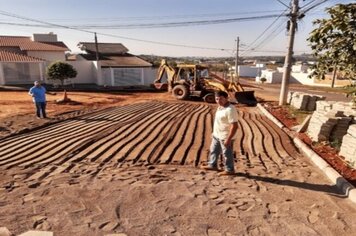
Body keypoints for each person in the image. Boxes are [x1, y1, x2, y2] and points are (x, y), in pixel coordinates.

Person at [202, 91, 238, 175]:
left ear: (226, 98)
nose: (218, 101)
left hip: (225, 136)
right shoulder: (220, 107)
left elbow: (235, 125)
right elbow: (219, 122)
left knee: (226, 154)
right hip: (217, 135)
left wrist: (228, 139)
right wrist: (214, 132)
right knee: (213, 151)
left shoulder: (230, 109)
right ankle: (212, 165)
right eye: (217, 99)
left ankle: (230, 169)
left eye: (221, 99)